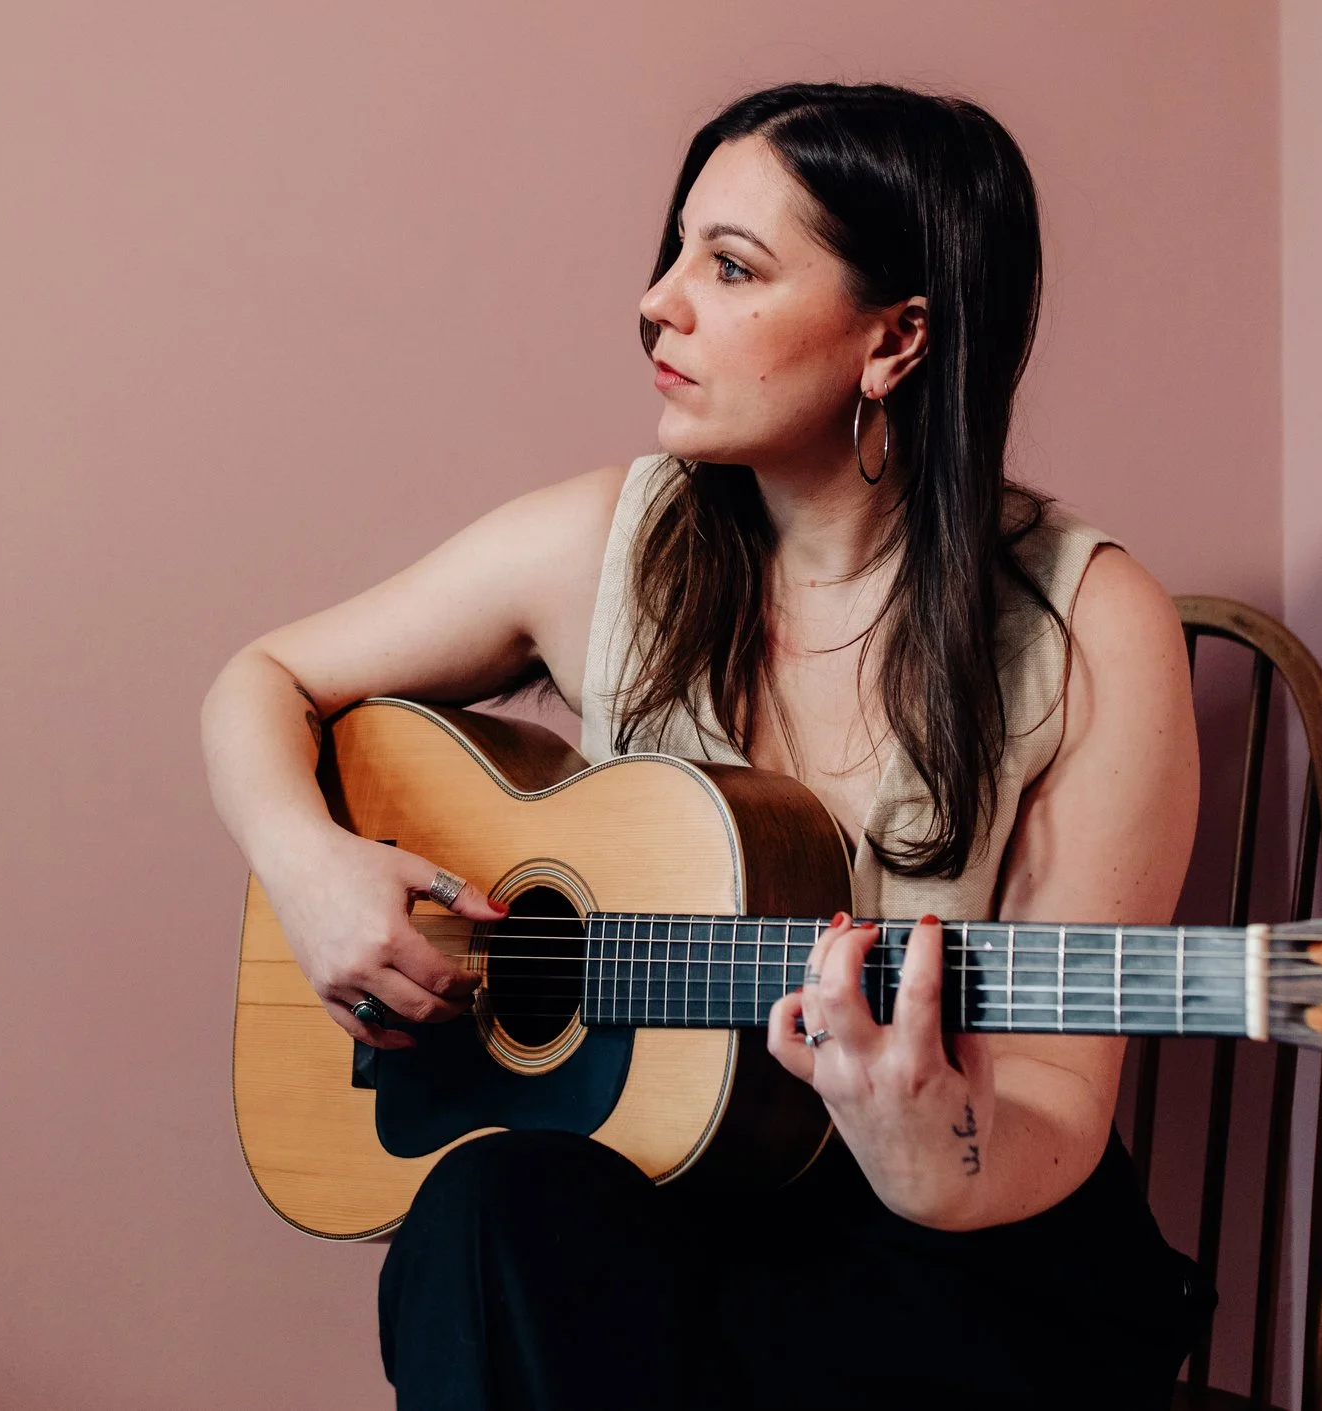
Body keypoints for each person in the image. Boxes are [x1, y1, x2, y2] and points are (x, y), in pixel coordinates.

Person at [202, 83, 1207, 1409]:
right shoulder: (604, 545)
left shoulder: (1088, 624)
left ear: (897, 337)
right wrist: (310, 865)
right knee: (487, 1210)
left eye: (729, 266)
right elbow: (263, 681)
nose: (656, 302)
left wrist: (925, 1148)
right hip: (688, 1216)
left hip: (961, 1256)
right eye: (677, 250)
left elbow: (1059, 1113)